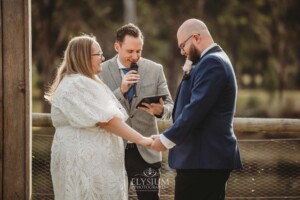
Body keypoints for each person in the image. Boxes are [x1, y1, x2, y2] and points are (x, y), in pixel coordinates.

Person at [45, 35, 153, 200]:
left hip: (90, 164)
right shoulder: (78, 83)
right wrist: (142, 140)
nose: (103, 58)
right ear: (84, 57)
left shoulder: (78, 81)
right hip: (87, 166)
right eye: (99, 54)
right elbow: (107, 120)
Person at [151, 18, 243, 200]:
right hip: (201, 161)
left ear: (196, 37)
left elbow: (196, 109)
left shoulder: (212, 63)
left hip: (203, 162)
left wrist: (166, 139)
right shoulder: (209, 61)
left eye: (182, 45)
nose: (182, 51)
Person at [98, 23, 173, 200]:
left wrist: (161, 110)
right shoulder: (101, 72)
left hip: (147, 152)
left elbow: (170, 105)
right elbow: (99, 108)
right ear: (117, 47)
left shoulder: (155, 70)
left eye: (139, 51)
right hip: (113, 151)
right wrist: (121, 91)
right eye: (130, 51)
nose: (135, 56)